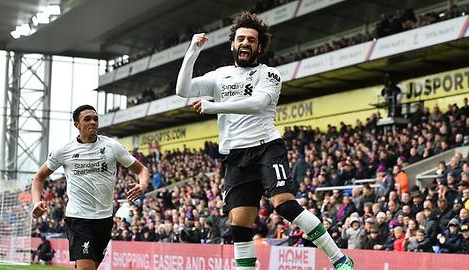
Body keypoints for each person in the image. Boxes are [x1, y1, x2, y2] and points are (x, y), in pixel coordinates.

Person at [176, 11, 353, 270]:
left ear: (259, 47)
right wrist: (193, 50)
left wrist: (212, 107)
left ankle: (340, 259)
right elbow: (182, 90)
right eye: (240, 38)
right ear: (233, 45)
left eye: (251, 39)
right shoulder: (220, 75)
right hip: (235, 156)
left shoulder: (269, 75)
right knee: (239, 224)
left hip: (266, 147)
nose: (245, 42)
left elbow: (257, 104)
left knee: (284, 205)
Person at [31, 104, 150, 270]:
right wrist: (37, 201)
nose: (93, 122)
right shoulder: (64, 150)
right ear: (77, 125)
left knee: (92, 267)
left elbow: (142, 169)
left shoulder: (112, 147)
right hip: (78, 219)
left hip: (105, 219)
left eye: (95, 119)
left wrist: (142, 184)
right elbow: (38, 178)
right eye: (87, 119)